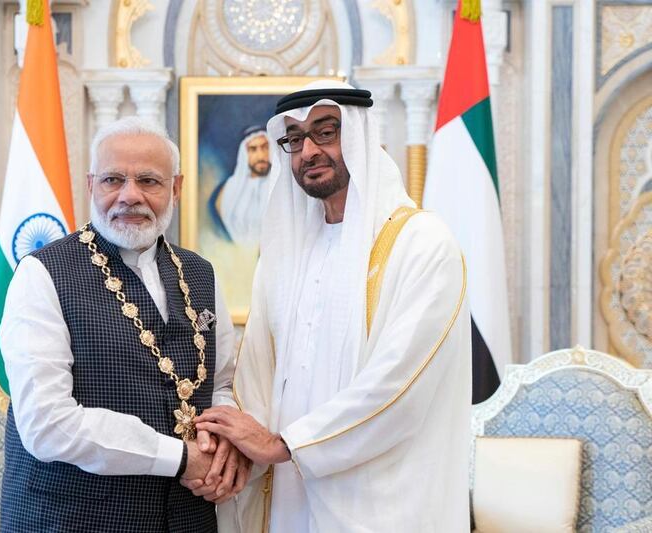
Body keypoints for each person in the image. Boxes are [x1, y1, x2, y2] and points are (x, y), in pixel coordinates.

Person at [190, 80, 472, 532]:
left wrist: (284, 444)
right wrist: (233, 453)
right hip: (287, 495)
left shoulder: (422, 244)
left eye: (326, 132)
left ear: (362, 137)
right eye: (296, 139)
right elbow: (256, 372)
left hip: (381, 500)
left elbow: (398, 386)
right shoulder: (285, 256)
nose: (308, 152)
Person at [0, 116, 249, 532]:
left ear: (177, 188)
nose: (129, 196)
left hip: (188, 517)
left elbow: (222, 384)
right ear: (91, 185)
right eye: (113, 179)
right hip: (75, 519)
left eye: (148, 181)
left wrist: (221, 448)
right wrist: (182, 458)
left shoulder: (201, 273)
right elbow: (46, 423)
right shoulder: (41, 274)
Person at [209, 125, 272, 246]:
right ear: (244, 154)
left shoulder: (281, 186)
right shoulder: (228, 190)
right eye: (253, 149)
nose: (261, 156)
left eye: (265, 147)